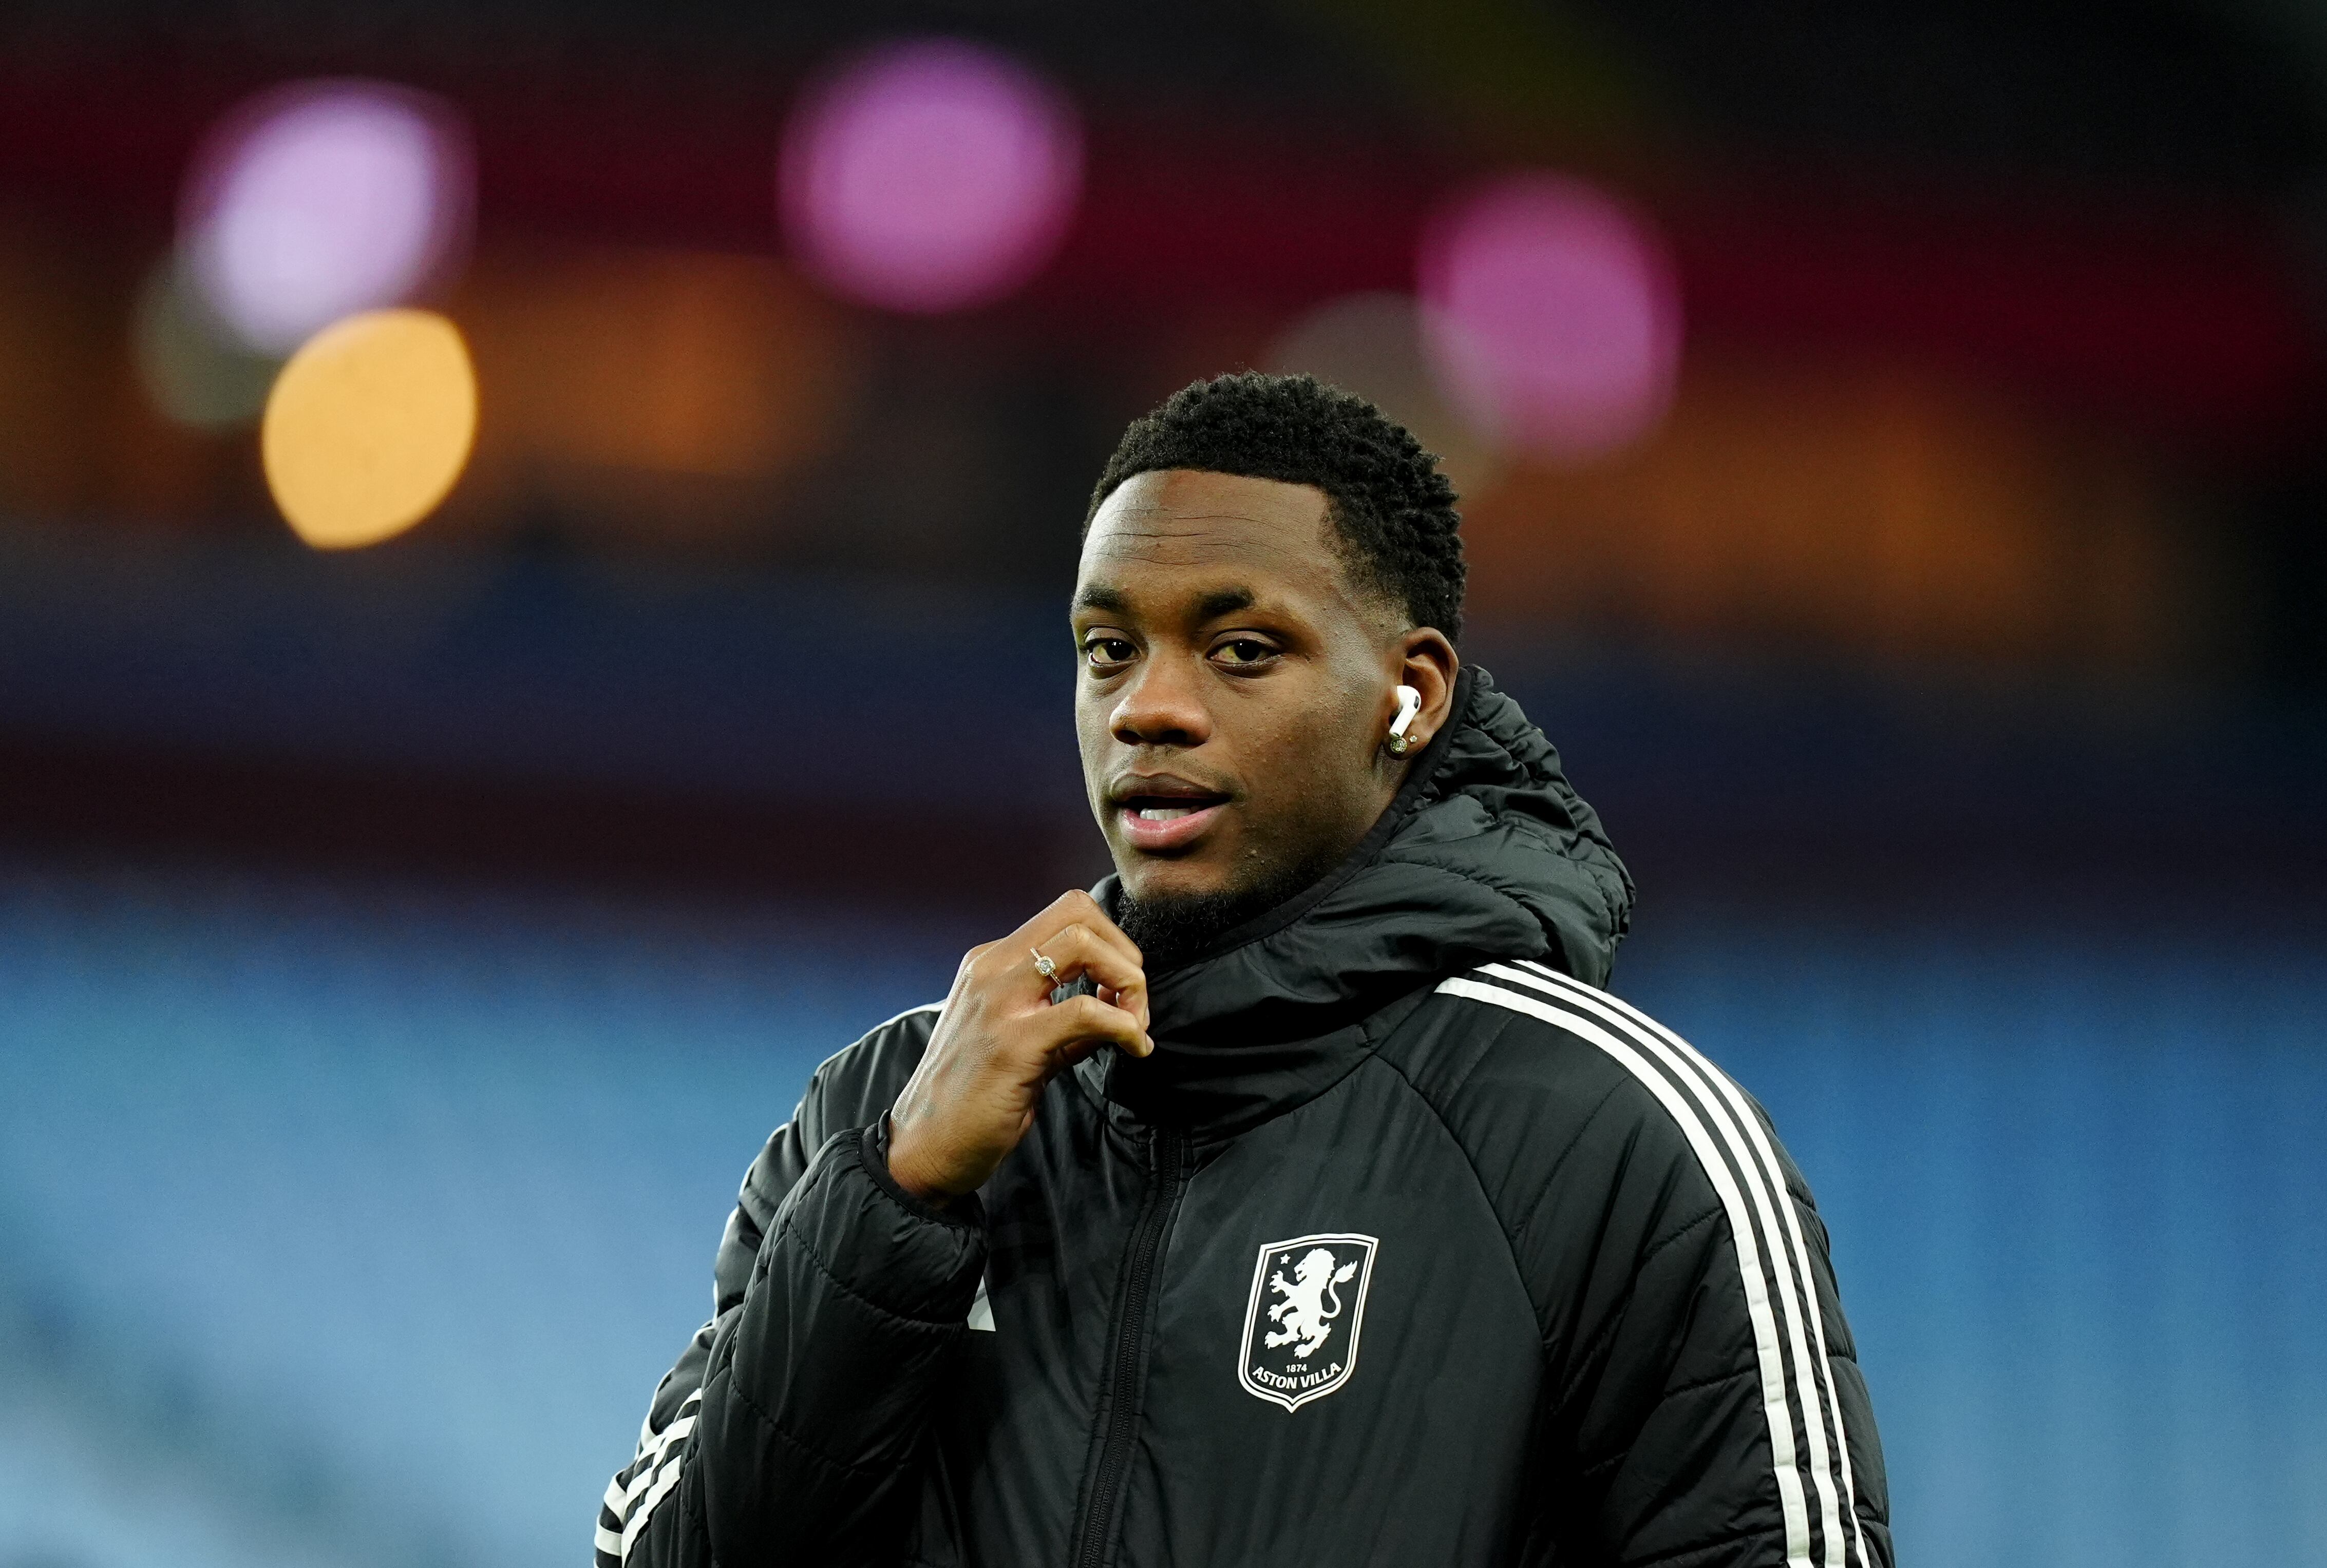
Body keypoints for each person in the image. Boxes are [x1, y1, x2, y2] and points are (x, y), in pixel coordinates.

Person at [595, 373, 1891, 1568]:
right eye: (1108, 650)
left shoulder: (1617, 1136)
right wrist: (899, 1203)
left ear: (1411, 691)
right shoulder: (889, 1109)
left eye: (1241, 650)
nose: (1146, 707)